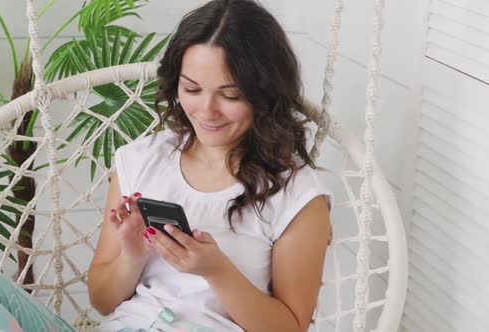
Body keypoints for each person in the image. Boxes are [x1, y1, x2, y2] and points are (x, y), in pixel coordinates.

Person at [88, 0, 333, 331]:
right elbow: (102, 302)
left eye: (229, 96)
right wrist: (133, 256)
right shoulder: (141, 161)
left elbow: (290, 327)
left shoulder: (298, 197)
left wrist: (216, 269)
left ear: (264, 94)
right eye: (191, 89)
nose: (206, 110)